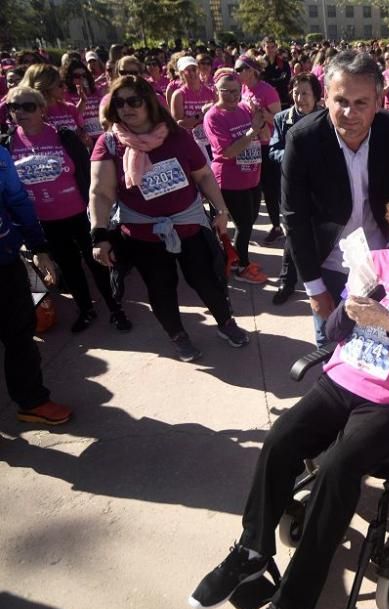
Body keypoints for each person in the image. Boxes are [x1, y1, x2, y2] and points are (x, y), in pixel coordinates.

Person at [189, 190, 389, 609]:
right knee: (281, 438)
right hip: (340, 381)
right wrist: (352, 305)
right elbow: (337, 330)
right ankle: (252, 551)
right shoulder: (373, 261)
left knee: (337, 471)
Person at [89, 75, 246, 362]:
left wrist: (221, 211)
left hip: (189, 225)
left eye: (134, 101)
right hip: (143, 235)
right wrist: (98, 234)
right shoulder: (109, 144)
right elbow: (100, 192)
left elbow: (204, 176)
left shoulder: (177, 136)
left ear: (149, 102)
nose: (126, 108)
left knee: (206, 281)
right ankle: (178, 336)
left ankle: (226, 323)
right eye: (119, 102)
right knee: (161, 288)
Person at [281, 51, 389, 348]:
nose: (349, 113)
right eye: (341, 101)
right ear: (326, 97)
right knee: (331, 347)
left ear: (378, 102)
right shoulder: (302, 139)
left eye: (360, 103)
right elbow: (295, 217)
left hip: (384, 262)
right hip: (328, 266)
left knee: (382, 348)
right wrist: (315, 288)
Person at [6, 85, 129, 333]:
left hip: (80, 214)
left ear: (42, 109)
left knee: (97, 264)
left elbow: (88, 177)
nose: (20, 112)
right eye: (13, 107)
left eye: (27, 106)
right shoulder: (8, 144)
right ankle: (86, 309)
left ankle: (116, 309)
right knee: (70, 269)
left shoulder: (64, 137)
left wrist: (99, 215)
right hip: (45, 221)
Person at [0, 140, 72, 425]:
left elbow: (16, 200)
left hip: (5, 261)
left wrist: (38, 246)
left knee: (20, 333)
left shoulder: (1, 155)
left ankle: (32, 401)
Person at [204, 69, 268, 286]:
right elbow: (229, 152)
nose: (233, 96)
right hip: (230, 181)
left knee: (249, 221)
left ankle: (236, 257)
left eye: (236, 91)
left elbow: (264, 134)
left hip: (252, 177)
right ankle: (242, 266)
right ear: (216, 91)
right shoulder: (213, 116)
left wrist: (260, 116)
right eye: (226, 91)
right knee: (244, 225)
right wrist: (252, 130)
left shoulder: (243, 108)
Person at [269, 73, 321, 306]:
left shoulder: (326, 117)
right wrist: (295, 158)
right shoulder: (282, 119)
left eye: (305, 93)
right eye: (296, 92)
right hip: (293, 189)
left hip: (321, 190)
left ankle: (321, 281)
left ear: (316, 95)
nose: (300, 98)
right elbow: (273, 150)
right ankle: (286, 282)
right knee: (292, 236)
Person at [235, 55, 283, 245]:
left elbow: (279, 118)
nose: (236, 73)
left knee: (270, 190)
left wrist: (261, 112)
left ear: (251, 70)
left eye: (239, 69)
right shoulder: (244, 88)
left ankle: (277, 226)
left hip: (267, 145)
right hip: (252, 144)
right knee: (256, 188)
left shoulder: (267, 90)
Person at [19, 64, 87, 145]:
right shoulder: (28, 114)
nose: (65, 87)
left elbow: (82, 137)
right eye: (60, 84)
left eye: (64, 83)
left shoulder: (70, 108)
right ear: (45, 86)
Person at [170, 56, 216, 161]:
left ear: (198, 70)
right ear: (181, 74)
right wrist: (201, 114)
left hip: (210, 142)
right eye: (187, 70)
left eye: (194, 69)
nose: (192, 73)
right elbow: (179, 124)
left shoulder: (211, 92)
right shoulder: (178, 95)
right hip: (190, 144)